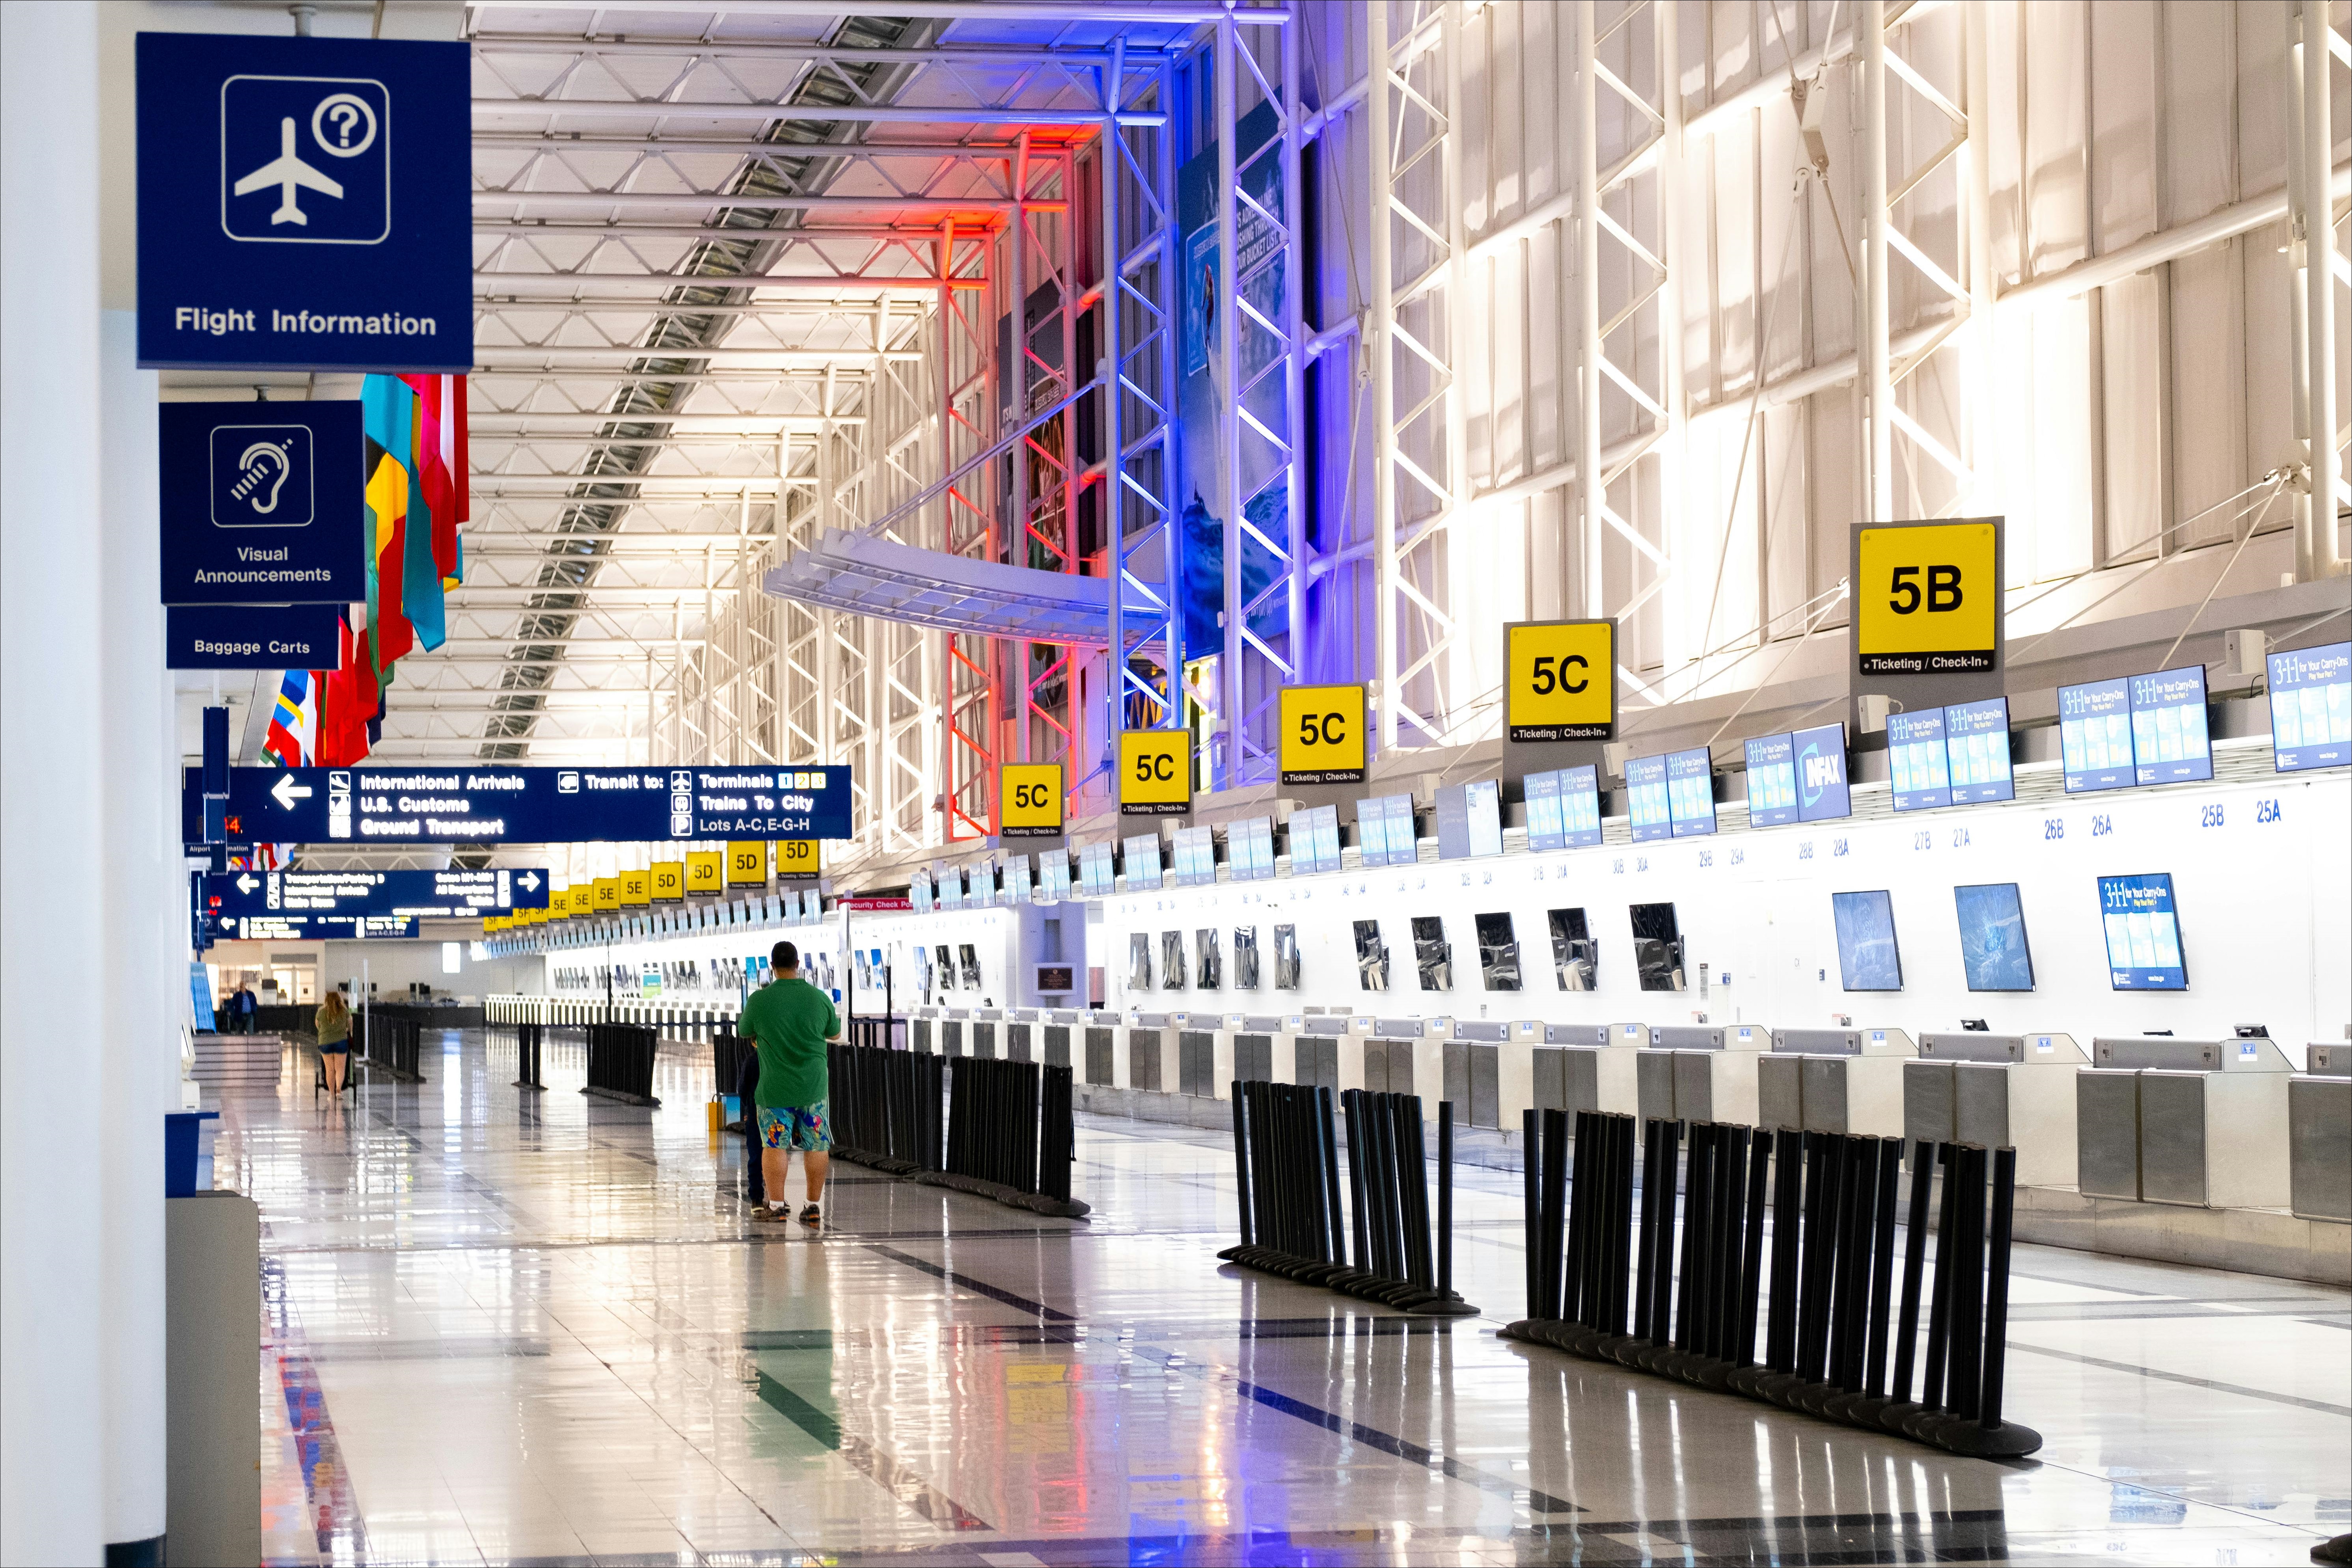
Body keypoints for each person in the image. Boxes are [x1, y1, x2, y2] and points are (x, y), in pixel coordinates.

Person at [736, 939, 841, 1228]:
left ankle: (778, 1206)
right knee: (817, 1146)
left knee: (775, 1146)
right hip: (814, 1088)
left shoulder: (760, 1000)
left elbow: (745, 1030)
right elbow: (834, 1032)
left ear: (773, 967)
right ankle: (813, 1207)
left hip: (775, 1089)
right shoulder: (818, 998)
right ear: (798, 965)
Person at [315, 990, 352, 1095]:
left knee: (330, 1069)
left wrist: (324, 1032)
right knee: (340, 1069)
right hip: (341, 1041)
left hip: (325, 1043)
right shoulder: (344, 1011)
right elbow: (350, 1023)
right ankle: (339, 1090)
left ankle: (331, 1094)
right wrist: (348, 1031)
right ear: (339, 1000)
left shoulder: (321, 1011)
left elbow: (318, 1025)